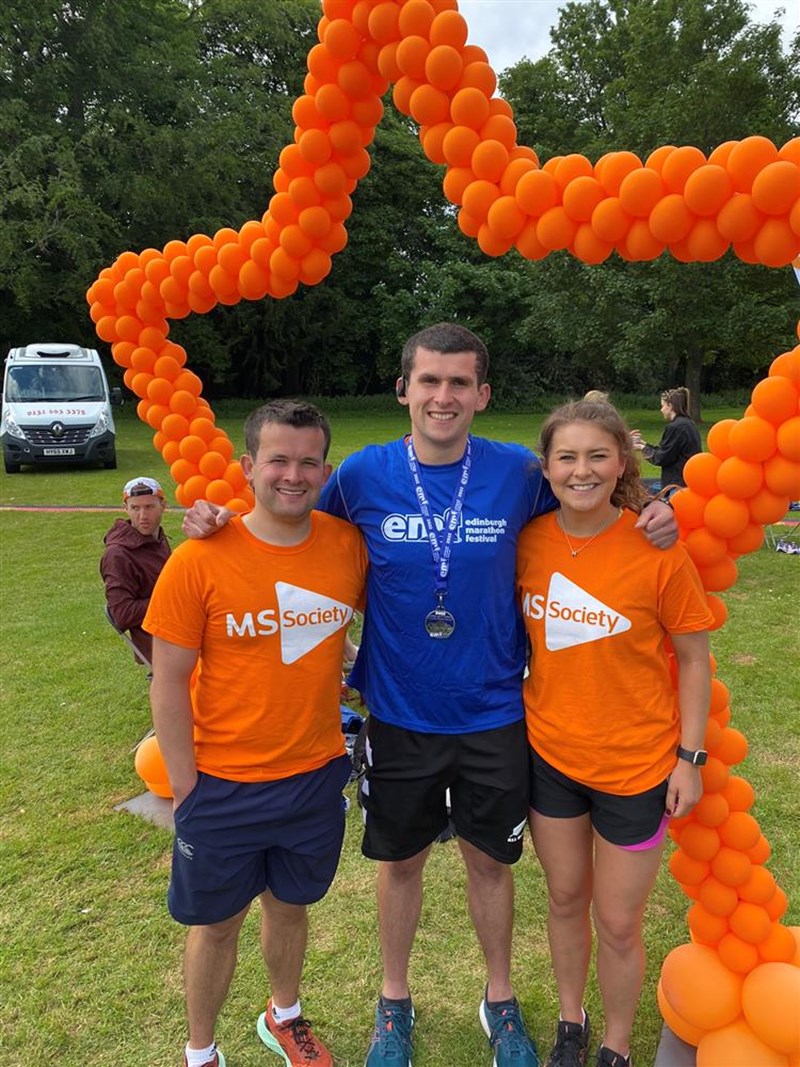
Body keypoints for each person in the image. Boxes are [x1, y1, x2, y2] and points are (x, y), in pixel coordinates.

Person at [183, 324, 678, 1067]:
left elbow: (592, 490)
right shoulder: (362, 474)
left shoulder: (518, 472)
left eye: (459, 382)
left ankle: (499, 998)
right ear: (403, 389)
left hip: (496, 713)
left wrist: (658, 505)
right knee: (401, 864)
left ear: (482, 394)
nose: (443, 396)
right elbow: (287, 520)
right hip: (398, 713)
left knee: (490, 864)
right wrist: (216, 516)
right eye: (429, 381)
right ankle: (394, 1001)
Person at [144, 400, 368, 1067]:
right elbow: (167, 680)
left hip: (313, 776)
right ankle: (201, 1051)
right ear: (247, 466)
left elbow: (341, 621)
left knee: (290, 907)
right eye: (278, 460)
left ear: (325, 468)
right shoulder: (199, 558)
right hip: (221, 784)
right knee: (217, 925)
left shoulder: (347, 546)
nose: (293, 475)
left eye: (308, 461)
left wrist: (351, 662)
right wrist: (186, 785)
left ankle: (284, 1016)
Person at [517, 400, 712, 1067]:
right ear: (546, 468)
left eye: (597, 455)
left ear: (622, 462)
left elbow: (693, 657)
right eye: (567, 457)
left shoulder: (657, 549)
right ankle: (571, 1023)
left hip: (637, 766)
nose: (582, 470)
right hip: (550, 757)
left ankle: (616, 1044)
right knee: (566, 898)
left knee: (620, 921)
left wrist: (690, 757)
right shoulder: (527, 542)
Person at [101, 476, 171, 665]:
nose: (143, 516)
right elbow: (122, 614)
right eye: (135, 508)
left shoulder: (157, 538)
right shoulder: (117, 555)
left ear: (163, 506)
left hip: (181, 629)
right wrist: (173, 599)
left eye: (149, 507)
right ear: (126, 508)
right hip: (162, 647)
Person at [631, 387, 702, 492]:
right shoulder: (687, 423)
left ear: (670, 406)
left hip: (678, 485)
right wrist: (644, 444)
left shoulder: (676, 427)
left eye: (663, 406)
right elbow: (667, 450)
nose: (661, 410)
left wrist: (642, 448)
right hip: (687, 482)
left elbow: (662, 457)